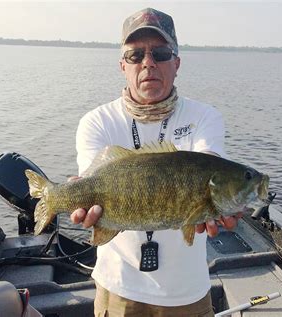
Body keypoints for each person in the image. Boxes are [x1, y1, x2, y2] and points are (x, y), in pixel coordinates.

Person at [70, 8, 241, 317]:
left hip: (187, 293)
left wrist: (221, 202)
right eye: (136, 55)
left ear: (176, 63)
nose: (148, 62)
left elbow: (209, 162)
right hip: (117, 287)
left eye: (160, 53)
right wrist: (78, 201)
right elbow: (91, 183)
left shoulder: (204, 117)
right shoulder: (96, 122)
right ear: (123, 66)